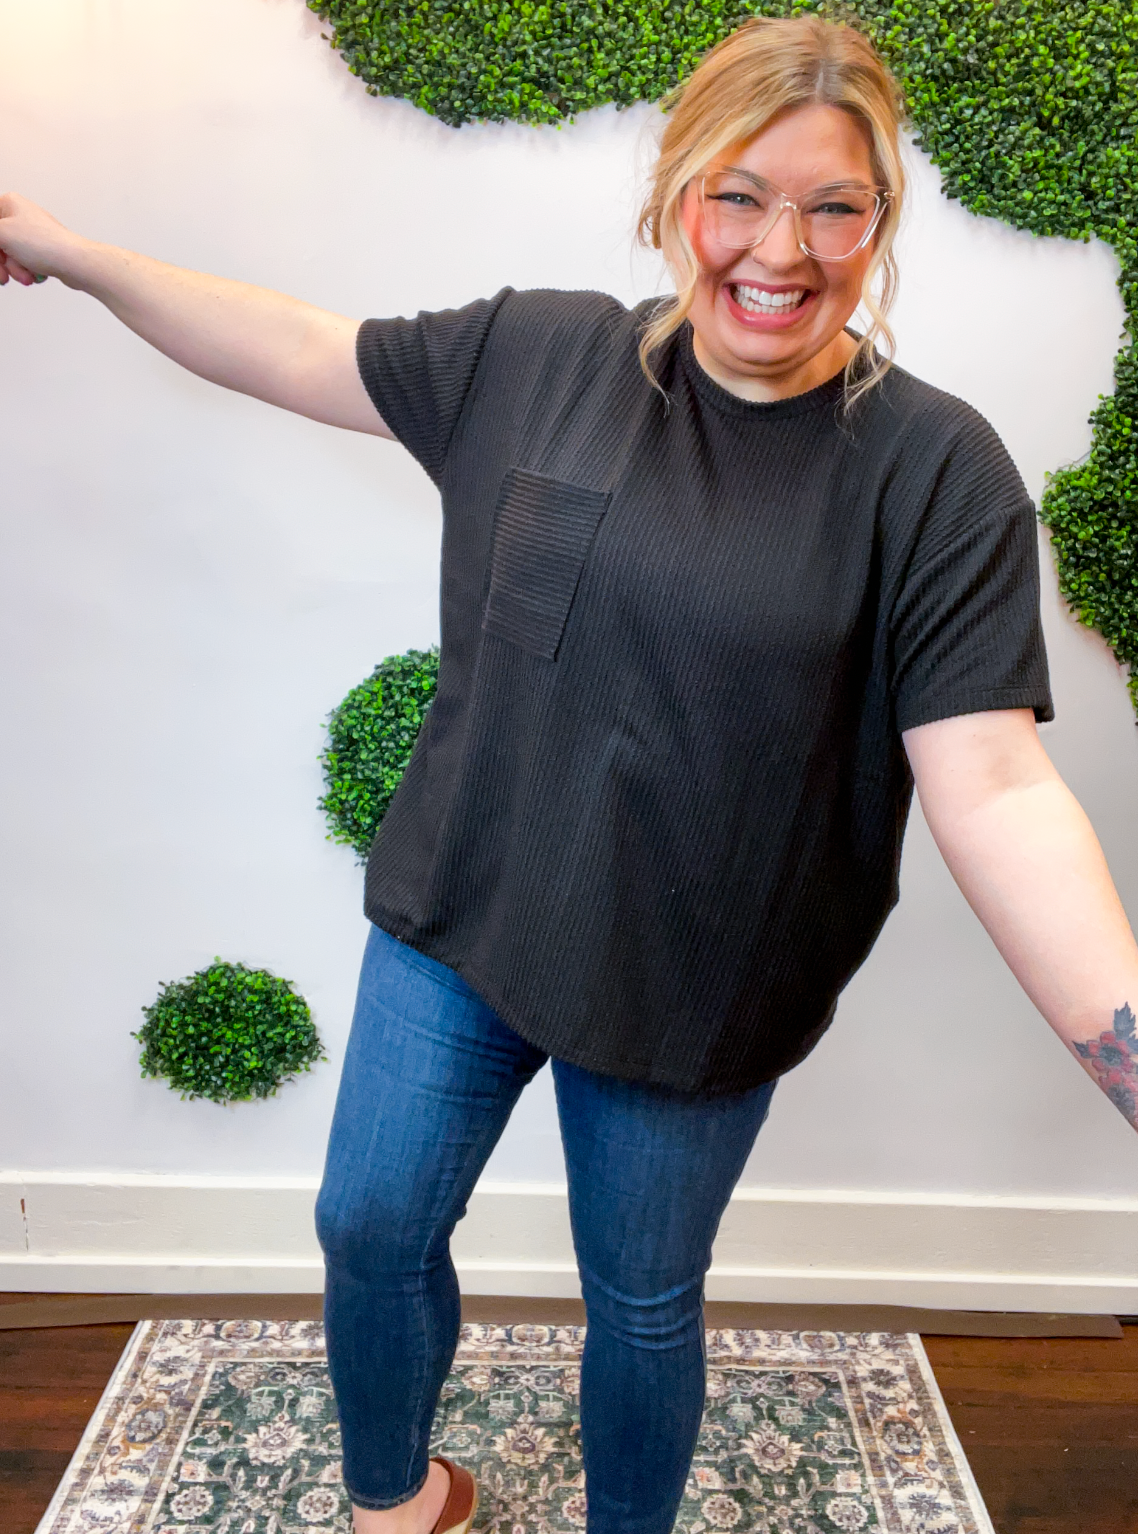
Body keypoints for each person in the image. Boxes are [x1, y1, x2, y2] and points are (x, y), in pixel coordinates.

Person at [4, 13, 1137, 1534]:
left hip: (699, 977)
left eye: (834, 206)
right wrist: (68, 249)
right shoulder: (538, 357)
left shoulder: (933, 470)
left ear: (879, 222)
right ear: (674, 194)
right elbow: (296, 346)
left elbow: (995, 784)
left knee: (644, 1303)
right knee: (369, 1224)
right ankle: (399, 1501)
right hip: (463, 910)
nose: (781, 249)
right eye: (740, 194)